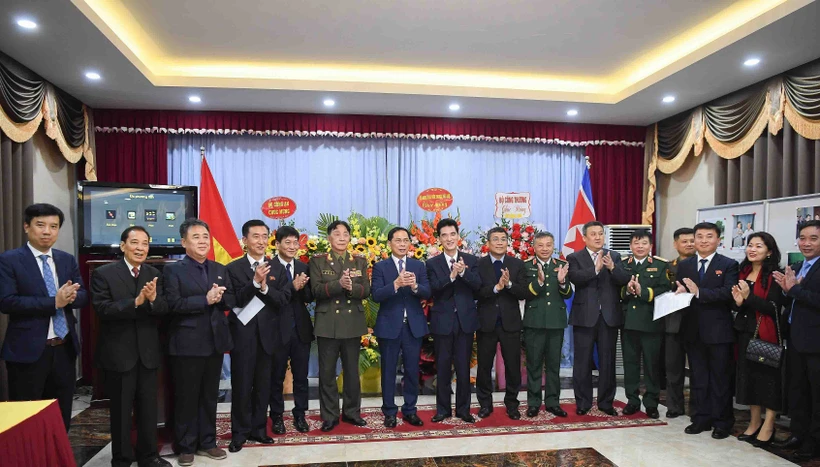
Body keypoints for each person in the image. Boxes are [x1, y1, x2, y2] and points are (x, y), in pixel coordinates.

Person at [0, 203, 87, 430]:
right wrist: (53, 302)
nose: (47, 231)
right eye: (41, 225)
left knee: (61, 415)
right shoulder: (9, 260)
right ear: (26, 227)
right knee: (28, 419)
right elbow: (6, 301)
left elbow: (84, 296)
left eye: (54, 226)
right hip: (27, 352)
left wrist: (70, 298)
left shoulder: (66, 259)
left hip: (64, 349)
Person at [90, 226, 171, 467]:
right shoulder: (104, 273)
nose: (140, 248)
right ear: (123, 245)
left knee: (148, 410)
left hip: (148, 353)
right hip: (119, 354)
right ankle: (122, 459)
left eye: (145, 243)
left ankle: (148, 457)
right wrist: (135, 302)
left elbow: (164, 309)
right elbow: (102, 309)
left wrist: (154, 300)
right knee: (122, 412)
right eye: (134, 242)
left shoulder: (153, 273)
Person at [163, 219, 234, 466]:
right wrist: (205, 299)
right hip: (186, 344)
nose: (203, 241)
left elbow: (228, 301)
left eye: (205, 236)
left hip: (214, 343)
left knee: (208, 396)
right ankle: (185, 446)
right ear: (184, 242)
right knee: (186, 397)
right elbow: (172, 305)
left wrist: (222, 298)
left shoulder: (219, 268)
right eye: (196, 237)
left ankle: (208, 441)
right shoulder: (173, 271)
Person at [225, 220, 290, 452]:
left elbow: (283, 300)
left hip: (268, 337)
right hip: (243, 336)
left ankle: (259, 430)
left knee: (264, 385)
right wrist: (254, 282)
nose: (261, 241)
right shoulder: (232, 269)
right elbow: (231, 301)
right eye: (256, 236)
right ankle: (239, 433)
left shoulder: (278, 268)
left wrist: (264, 288)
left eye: (265, 236)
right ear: (245, 240)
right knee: (242, 385)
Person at [674, 221, 739, 439]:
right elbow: (682, 293)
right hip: (692, 330)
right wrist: (680, 293)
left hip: (719, 331)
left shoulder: (729, 264)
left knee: (720, 378)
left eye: (708, 236)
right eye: (699, 237)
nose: (703, 241)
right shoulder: (685, 265)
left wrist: (700, 292)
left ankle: (722, 422)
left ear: (718, 240)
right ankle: (701, 418)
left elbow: (727, 294)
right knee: (698, 377)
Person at [309, 220, 371, 432]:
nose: (342, 237)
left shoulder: (360, 261)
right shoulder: (318, 261)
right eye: (337, 234)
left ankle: (352, 413)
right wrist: (338, 285)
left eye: (346, 234)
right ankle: (330, 416)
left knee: (352, 372)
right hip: (328, 323)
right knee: (326, 373)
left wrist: (351, 287)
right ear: (329, 238)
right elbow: (315, 290)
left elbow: (366, 291)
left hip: (352, 322)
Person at [567, 221, 631, 416]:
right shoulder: (574, 257)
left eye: (600, 234)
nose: (597, 237)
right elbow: (575, 278)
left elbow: (624, 280)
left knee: (607, 362)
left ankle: (606, 403)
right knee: (582, 362)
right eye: (593, 234)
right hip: (584, 316)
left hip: (609, 317)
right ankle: (583, 403)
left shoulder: (615, 256)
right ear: (585, 238)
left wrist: (612, 268)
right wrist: (594, 270)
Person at [371, 227, 431, 427]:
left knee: (412, 371)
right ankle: (389, 411)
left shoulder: (418, 265)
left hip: (412, 326)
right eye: (398, 240)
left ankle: (410, 410)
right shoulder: (381, 267)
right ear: (390, 243)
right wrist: (396, 284)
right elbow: (376, 295)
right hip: (389, 327)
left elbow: (427, 291)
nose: (402, 244)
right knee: (388, 370)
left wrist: (414, 287)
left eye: (406, 240)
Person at [732, 232, 784, 448]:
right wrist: (738, 302)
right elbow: (740, 305)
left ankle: (769, 425)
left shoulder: (775, 275)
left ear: (769, 251)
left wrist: (749, 298)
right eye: (750, 245)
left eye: (759, 246)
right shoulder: (743, 271)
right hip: (744, 333)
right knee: (749, 380)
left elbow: (773, 308)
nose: (752, 249)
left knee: (768, 381)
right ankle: (754, 423)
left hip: (766, 335)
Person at [426, 218, 481, 423]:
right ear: (439, 238)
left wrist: (464, 272)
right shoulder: (432, 263)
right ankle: (442, 410)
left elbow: (478, 286)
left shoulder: (471, 260)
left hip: (465, 321)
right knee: (442, 366)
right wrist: (451, 276)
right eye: (444, 235)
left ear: (458, 236)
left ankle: (464, 409)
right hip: (443, 322)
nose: (449, 239)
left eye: (452, 234)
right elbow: (433, 289)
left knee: (463, 367)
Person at [774, 220, 820, 461]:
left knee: (816, 394)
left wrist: (794, 290)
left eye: (813, 238)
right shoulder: (798, 265)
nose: (806, 243)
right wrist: (785, 289)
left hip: (815, 342)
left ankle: (814, 441)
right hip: (795, 338)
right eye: (803, 238)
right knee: (797, 390)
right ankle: (797, 433)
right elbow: (792, 298)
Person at [475, 227, 528, 420]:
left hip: (510, 324)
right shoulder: (478, 264)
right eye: (495, 239)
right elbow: (476, 292)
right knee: (484, 367)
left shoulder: (517, 264)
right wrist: (496, 288)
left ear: (508, 243)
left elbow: (524, 292)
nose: (499, 242)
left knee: (513, 367)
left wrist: (510, 285)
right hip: (486, 323)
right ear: (488, 243)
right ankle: (485, 404)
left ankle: (512, 405)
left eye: (503, 239)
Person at [620, 230, 670, 419]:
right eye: (636, 243)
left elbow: (666, 290)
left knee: (651, 365)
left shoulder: (660, 265)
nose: (640, 246)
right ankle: (632, 400)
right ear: (631, 246)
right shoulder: (623, 265)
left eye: (644, 243)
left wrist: (644, 291)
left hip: (651, 323)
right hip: (628, 323)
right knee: (630, 365)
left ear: (650, 246)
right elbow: (615, 289)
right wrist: (627, 289)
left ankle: (651, 402)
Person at [269, 226, 314, 434]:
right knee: (276, 377)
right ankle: (277, 416)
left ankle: (300, 414)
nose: (292, 246)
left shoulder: (304, 267)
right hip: (277, 330)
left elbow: (308, 298)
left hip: (300, 330)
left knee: (301, 377)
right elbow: (271, 298)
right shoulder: (268, 268)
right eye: (287, 242)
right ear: (277, 244)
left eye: (295, 243)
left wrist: (304, 288)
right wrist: (292, 286)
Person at [522, 232, 572, 418]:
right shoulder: (526, 266)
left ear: (553, 246)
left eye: (548, 245)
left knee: (553, 366)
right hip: (534, 323)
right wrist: (539, 282)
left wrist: (561, 282)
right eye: (541, 245)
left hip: (555, 323)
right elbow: (524, 294)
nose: (545, 249)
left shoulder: (561, 266)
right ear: (534, 247)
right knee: (534, 365)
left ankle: (553, 403)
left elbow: (567, 294)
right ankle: (534, 403)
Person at [664, 227, 695, 419]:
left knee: (697, 370)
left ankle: (696, 409)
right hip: (673, 323)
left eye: (692, 240)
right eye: (685, 241)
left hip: (696, 323)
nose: (690, 244)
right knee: (673, 369)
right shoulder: (667, 267)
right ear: (676, 244)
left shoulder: (701, 265)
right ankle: (674, 406)